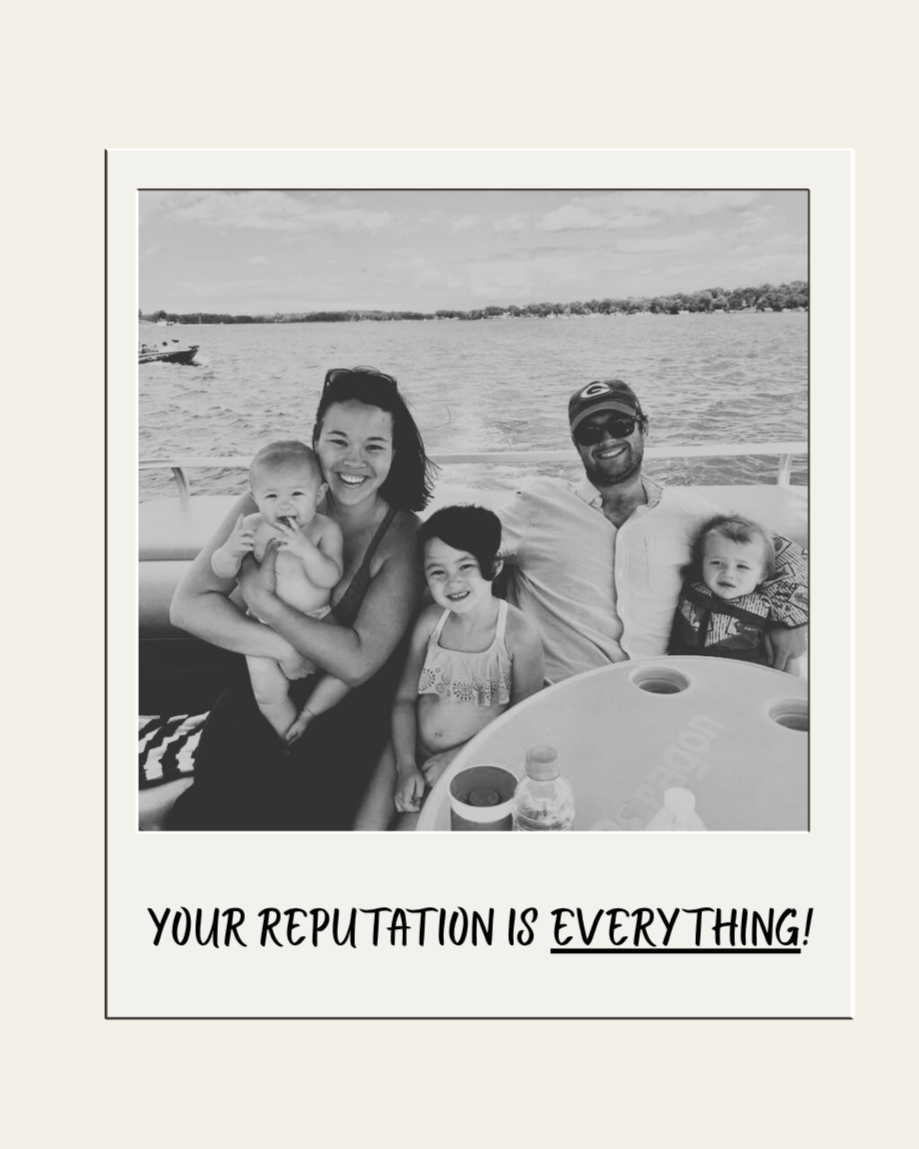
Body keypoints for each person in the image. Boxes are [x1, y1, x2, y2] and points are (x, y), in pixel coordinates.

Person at [166, 366, 434, 830]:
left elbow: (357, 662)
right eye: (338, 441)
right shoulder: (266, 502)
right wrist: (280, 646)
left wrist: (264, 604)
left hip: (340, 718)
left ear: (395, 453)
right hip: (257, 692)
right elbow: (187, 606)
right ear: (316, 440)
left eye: (374, 446)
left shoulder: (402, 536)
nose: (354, 461)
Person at [498, 378, 808, 683]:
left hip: (658, 690)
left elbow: (788, 555)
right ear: (576, 443)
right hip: (559, 692)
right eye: (589, 432)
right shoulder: (537, 504)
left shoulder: (691, 514)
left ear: (643, 428)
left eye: (621, 425)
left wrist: (792, 620)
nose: (606, 439)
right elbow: (459, 544)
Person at [388, 506, 544, 828]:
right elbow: (404, 699)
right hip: (407, 749)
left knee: (414, 831)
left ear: (494, 565)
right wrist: (405, 765)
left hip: (474, 760)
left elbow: (522, 719)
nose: (452, 582)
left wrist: (455, 759)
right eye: (438, 572)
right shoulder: (430, 622)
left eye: (465, 566)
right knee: (365, 829)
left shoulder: (519, 635)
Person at [210, 440, 345, 738]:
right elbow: (221, 569)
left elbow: (330, 577)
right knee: (268, 694)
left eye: (297, 494)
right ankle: (289, 736)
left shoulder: (325, 529)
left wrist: (306, 551)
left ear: (319, 494)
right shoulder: (253, 526)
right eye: (272, 495)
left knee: (345, 669)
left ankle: (313, 714)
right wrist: (231, 551)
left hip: (317, 618)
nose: (284, 504)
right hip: (264, 627)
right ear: (255, 497)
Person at [667, 514, 797, 666]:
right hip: (686, 675)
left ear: (762, 575)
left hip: (741, 682)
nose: (728, 573)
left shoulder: (770, 610)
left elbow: (787, 657)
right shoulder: (687, 588)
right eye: (717, 562)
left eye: (742, 566)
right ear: (701, 566)